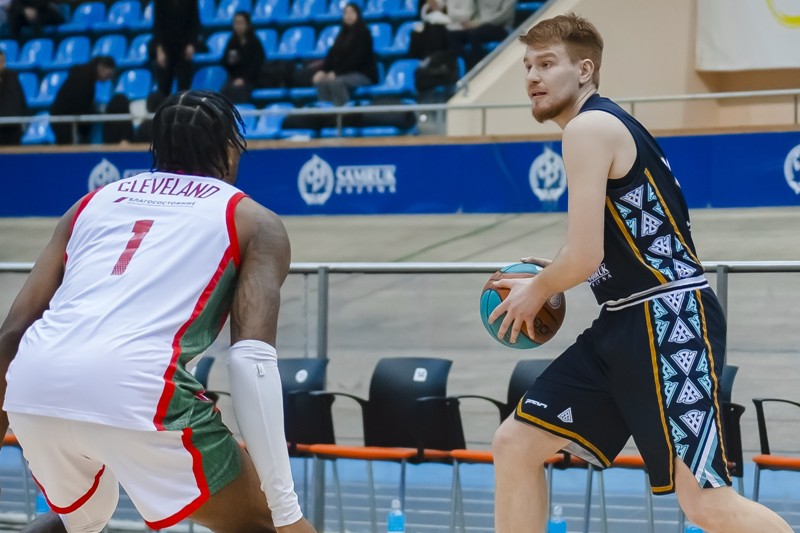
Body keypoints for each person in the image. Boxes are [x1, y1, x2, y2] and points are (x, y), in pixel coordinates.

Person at [488, 13, 794, 533]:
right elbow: (598, 245)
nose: (533, 77)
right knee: (515, 443)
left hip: (670, 319)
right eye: (528, 66)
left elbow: (585, 257)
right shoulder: (607, 125)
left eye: (547, 64)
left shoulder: (588, 128)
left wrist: (538, 289)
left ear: (585, 70)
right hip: (623, 319)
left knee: (706, 503)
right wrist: (549, 271)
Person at [0, 90, 317, 533]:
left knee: (83, 519)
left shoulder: (89, 204)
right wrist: (285, 510)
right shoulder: (253, 220)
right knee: (262, 524)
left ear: (157, 148)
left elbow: (13, 332)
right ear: (230, 149)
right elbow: (251, 362)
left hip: (35, 385)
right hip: (140, 389)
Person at [313, 2, 378, 106]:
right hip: (343, 74)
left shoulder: (364, 33)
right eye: (346, 13)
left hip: (362, 74)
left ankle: (343, 113)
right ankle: (326, 113)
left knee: (336, 82)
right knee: (322, 82)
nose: (348, 16)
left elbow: (357, 59)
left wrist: (337, 73)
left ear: (358, 15)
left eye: (352, 12)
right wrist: (323, 71)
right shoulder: (341, 35)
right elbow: (331, 55)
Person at [49, 55, 116, 144]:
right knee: (68, 147)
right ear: (101, 67)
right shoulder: (84, 79)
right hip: (64, 119)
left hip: (62, 117)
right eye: (108, 75)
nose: (107, 80)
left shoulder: (85, 76)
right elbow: (81, 105)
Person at [446, 0, 516, 68]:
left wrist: (480, 23)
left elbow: (503, 16)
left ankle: (477, 66)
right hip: (479, 25)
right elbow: (473, 10)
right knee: (453, 35)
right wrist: (470, 22)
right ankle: (463, 65)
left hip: (500, 27)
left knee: (475, 34)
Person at [151, 0, 200, 95]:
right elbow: (157, 25)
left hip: (184, 46)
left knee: (184, 87)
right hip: (166, 46)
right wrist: (159, 49)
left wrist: (191, 44)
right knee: (164, 86)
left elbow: (195, 22)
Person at [220, 11, 265, 104]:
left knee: (239, 92)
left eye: (241, 23)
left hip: (251, 80)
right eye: (236, 23)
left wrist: (244, 79)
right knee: (223, 93)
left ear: (247, 25)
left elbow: (257, 64)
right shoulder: (232, 42)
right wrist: (230, 61)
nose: (238, 26)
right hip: (233, 79)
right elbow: (225, 62)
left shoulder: (254, 43)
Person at [0, 48, 28, 145]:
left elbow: (21, 100)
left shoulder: (12, 76)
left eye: (3, 61)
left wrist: (24, 121)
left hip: (13, 127)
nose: (2, 64)